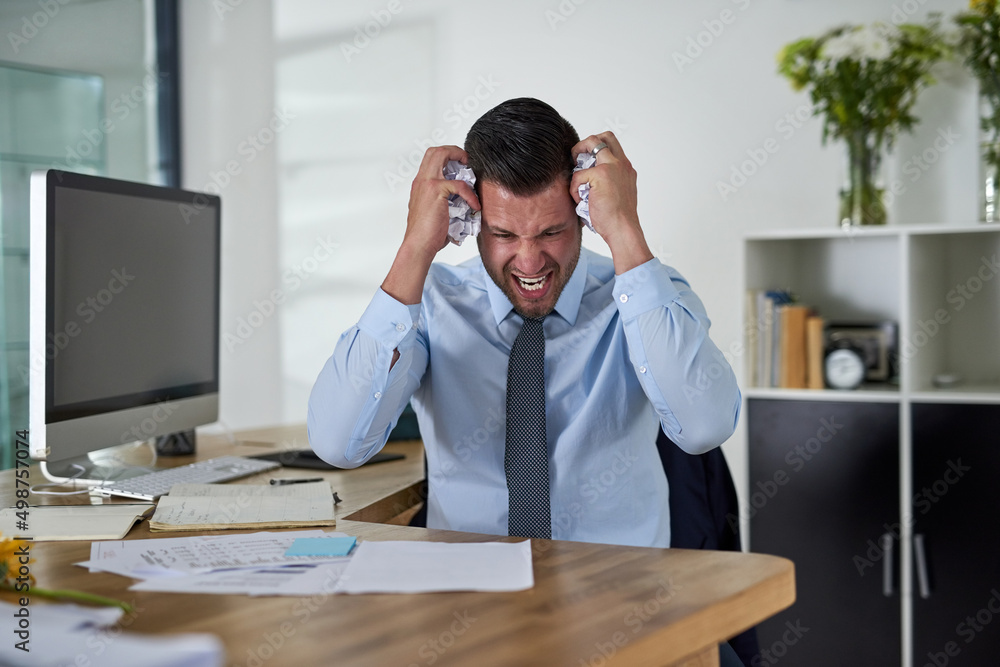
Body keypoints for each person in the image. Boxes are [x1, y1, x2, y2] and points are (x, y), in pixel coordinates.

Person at [308, 97, 740, 549]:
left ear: (584, 211)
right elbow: (339, 444)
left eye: (551, 231)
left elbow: (705, 427)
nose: (530, 260)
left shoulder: (648, 293)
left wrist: (625, 230)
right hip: (469, 599)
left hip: (617, 595)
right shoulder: (432, 302)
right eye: (503, 235)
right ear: (471, 220)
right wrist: (415, 245)